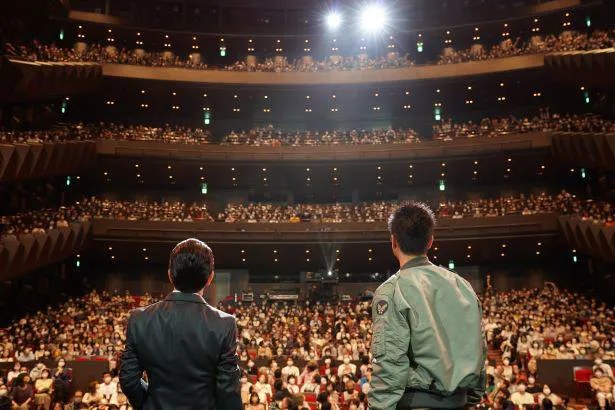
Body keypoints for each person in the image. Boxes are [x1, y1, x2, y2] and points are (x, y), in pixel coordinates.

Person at [369, 202, 486, 410]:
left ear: (393, 241)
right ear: (430, 241)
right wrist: (472, 398)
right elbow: (478, 347)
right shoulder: (462, 285)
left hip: (417, 402)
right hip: (460, 401)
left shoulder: (392, 290)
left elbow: (389, 364)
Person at [120, 238, 242, 409]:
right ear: (210, 278)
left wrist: (151, 404)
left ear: (170, 274)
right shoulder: (224, 323)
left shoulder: (139, 318)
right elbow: (228, 392)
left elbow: (128, 380)